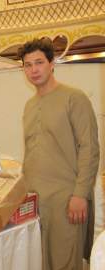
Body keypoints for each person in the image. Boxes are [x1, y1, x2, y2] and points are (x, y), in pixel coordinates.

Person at [19, 38, 99, 270]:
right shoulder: (29, 105)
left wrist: (80, 194)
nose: (33, 70)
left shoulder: (75, 98)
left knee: (65, 262)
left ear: (52, 63)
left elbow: (90, 149)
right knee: (39, 261)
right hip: (34, 201)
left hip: (66, 200)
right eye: (27, 65)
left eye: (39, 62)